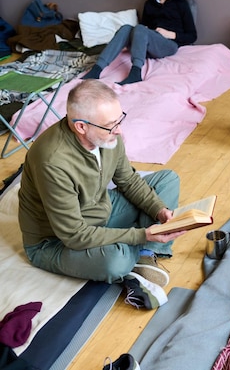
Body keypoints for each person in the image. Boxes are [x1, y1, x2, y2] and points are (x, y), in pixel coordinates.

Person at [18, 79, 188, 309]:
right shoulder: (52, 161)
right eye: (110, 125)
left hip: (100, 210)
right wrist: (141, 234)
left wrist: (159, 211)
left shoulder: (109, 136)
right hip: (55, 242)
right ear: (81, 126)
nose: (118, 129)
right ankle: (135, 253)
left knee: (167, 180)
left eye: (119, 119)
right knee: (114, 262)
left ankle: (147, 255)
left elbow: (128, 180)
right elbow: (74, 235)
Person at [82, 0, 197, 85]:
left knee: (140, 28)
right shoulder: (149, 4)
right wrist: (130, 39)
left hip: (168, 44)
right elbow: (144, 27)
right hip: (149, 44)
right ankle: (97, 69)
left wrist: (171, 35)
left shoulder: (180, 4)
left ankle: (135, 73)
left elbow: (192, 36)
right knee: (127, 28)